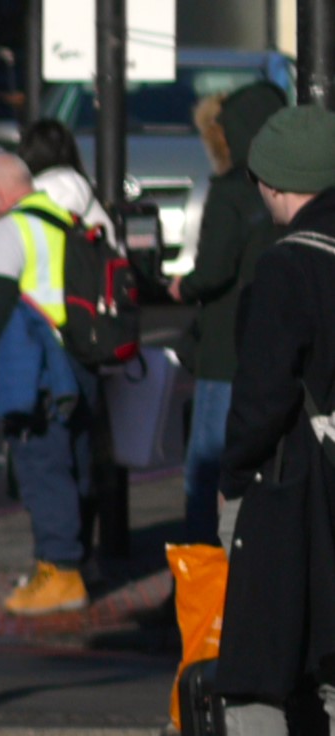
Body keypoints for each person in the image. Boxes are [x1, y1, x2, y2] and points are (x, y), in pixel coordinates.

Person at [167, 106, 335, 736]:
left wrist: (231, 476)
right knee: (333, 667)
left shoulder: (285, 267)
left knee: (253, 674)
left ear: (275, 185)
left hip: (286, 485)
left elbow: (262, 398)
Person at [0, 151, 96, 616]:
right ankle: (82, 560)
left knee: (42, 469)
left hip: (36, 366)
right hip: (79, 360)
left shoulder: (11, 228)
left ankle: (60, 573)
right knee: (77, 464)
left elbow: (0, 304)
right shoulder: (68, 221)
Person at [174, 83, 290, 547]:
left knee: (206, 466)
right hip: (278, 344)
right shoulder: (294, 190)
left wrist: (184, 285)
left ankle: (204, 582)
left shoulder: (229, 191)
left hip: (225, 347)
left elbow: (213, 270)